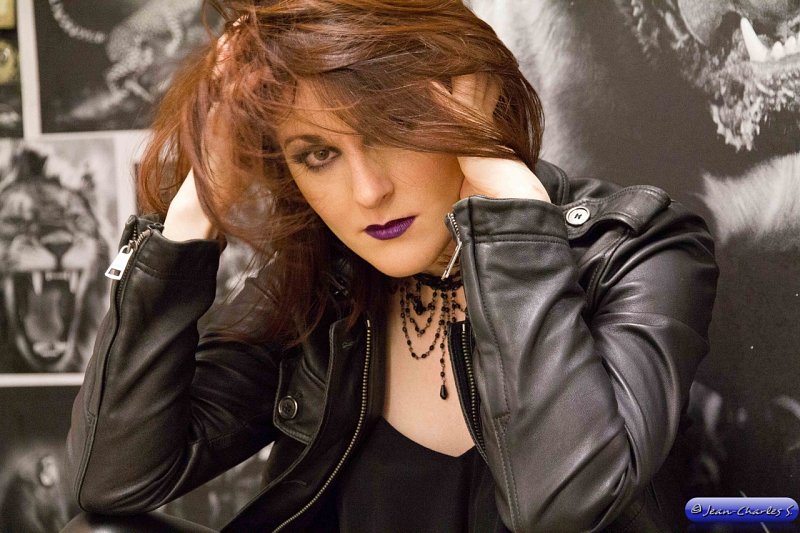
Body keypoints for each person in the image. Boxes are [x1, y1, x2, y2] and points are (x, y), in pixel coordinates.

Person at [63, 1, 719, 531]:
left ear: (473, 99)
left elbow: (566, 506)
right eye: (318, 154)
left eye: (396, 127)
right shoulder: (322, 282)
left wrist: (509, 214)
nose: (369, 191)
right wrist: (191, 218)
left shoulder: (633, 248)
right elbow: (112, 479)